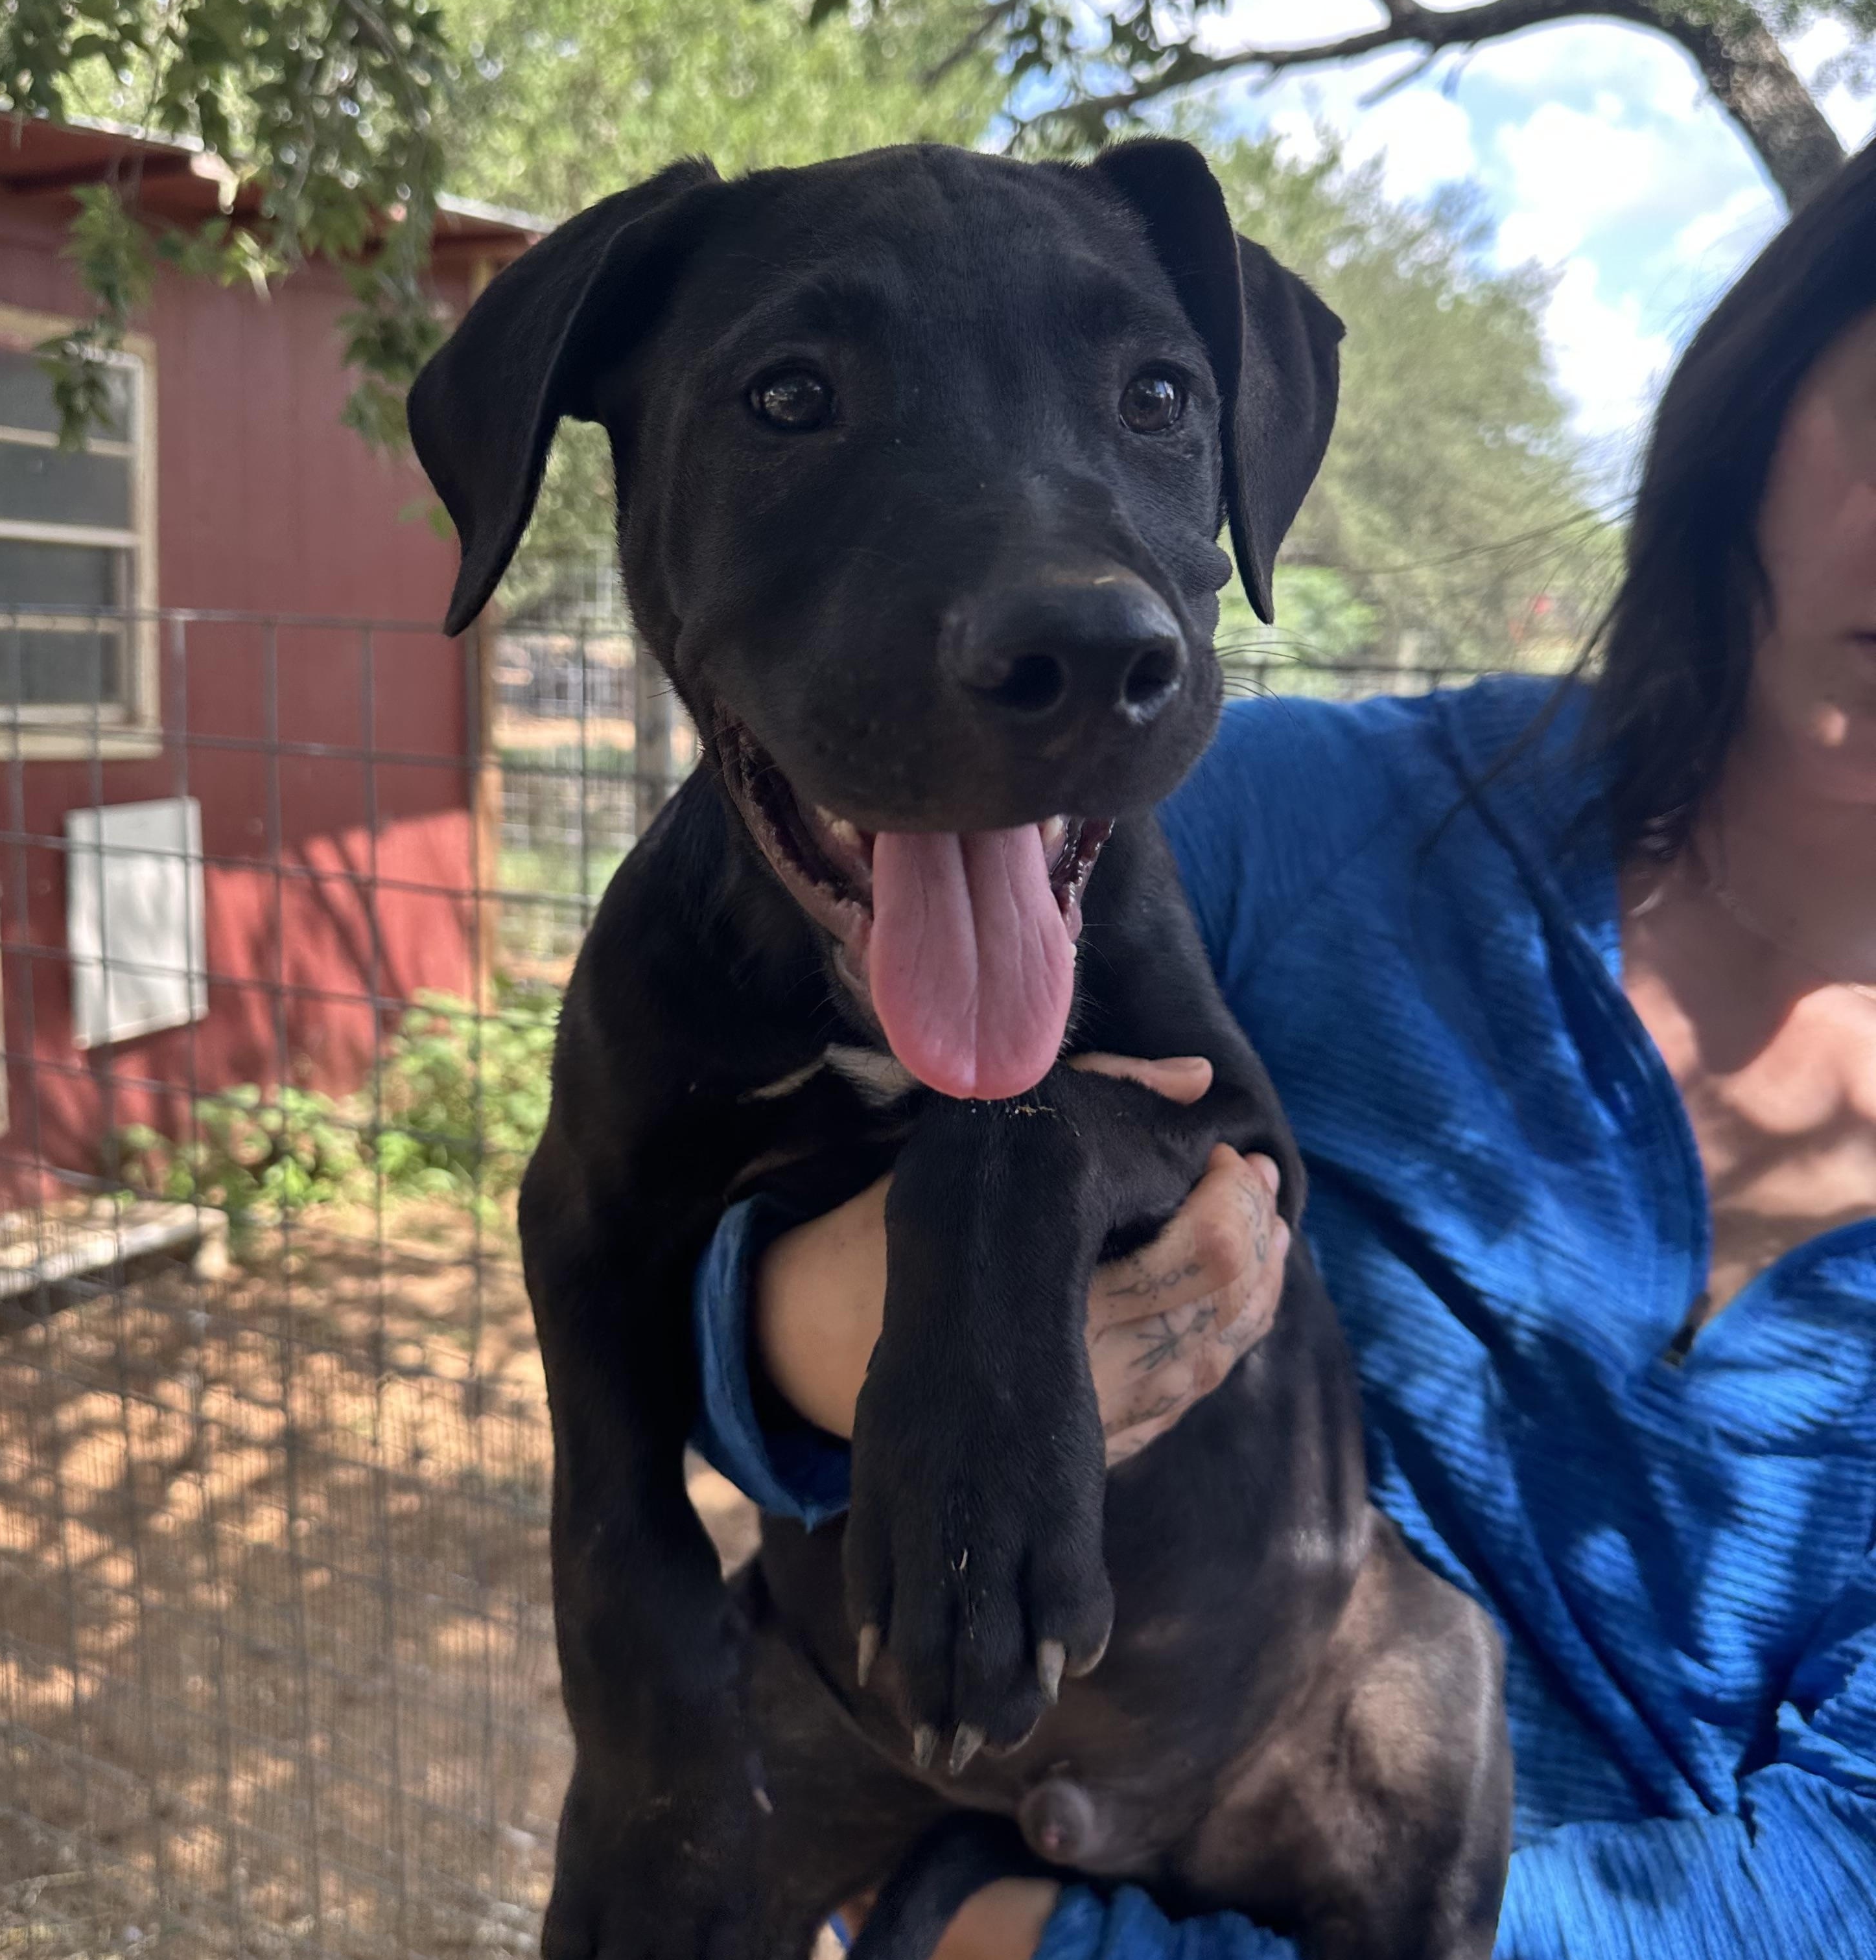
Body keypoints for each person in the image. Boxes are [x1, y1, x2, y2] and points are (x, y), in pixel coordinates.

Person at [688, 137, 1876, 1960]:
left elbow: (1832, 1884)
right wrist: (794, 1340)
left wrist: (1008, 1936)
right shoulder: (1296, 830)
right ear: (1759, 404)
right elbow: (704, 1239)